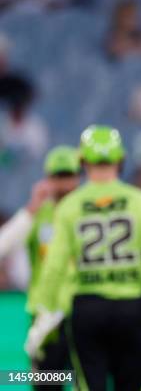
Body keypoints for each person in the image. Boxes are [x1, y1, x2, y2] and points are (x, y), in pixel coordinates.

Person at [25, 125, 141, 391]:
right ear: (121, 160)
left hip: (87, 309)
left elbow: (54, 267)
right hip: (131, 308)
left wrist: (44, 314)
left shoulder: (69, 207)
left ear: (83, 162)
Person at [0, 146, 80, 390]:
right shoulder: (38, 215)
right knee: (47, 385)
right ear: (48, 179)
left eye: (68, 176)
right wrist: (31, 208)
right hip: (46, 321)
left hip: (82, 316)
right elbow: (3, 246)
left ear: (78, 178)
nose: (64, 184)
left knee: (86, 384)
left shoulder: (88, 212)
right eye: (58, 176)